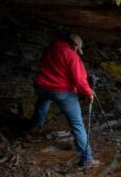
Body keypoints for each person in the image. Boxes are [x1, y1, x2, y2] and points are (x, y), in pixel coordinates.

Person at [31, 33, 100, 168]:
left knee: (42, 102)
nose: (77, 51)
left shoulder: (50, 50)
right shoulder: (71, 56)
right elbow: (80, 81)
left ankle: (35, 126)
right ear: (74, 45)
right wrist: (89, 93)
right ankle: (87, 159)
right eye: (77, 48)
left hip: (42, 86)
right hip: (61, 92)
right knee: (77, 124)